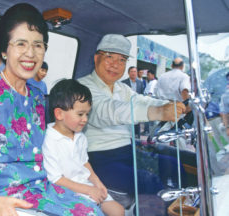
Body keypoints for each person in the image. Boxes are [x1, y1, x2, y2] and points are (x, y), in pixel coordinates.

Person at [0, 4, 103, 216]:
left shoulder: (38, 96)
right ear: (4, 50)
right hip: (1, 197)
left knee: (94, 212)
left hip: (42, 191)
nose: (30, 53)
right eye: (21, 44)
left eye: (38, 45)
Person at [78, 34, 186, 196]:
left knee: (173, 164)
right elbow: (106, 110)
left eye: (122, 60)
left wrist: (171, 106)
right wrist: (158, 112)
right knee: (148, 181)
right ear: (96, 58)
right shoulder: (82, 86)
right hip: (97, 158)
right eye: (109, 57)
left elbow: (143, 101)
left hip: (129, 151)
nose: (115, 65)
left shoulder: (123, 88)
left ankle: (180, 208)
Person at [42, 79, 124, 216]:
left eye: (87, 114)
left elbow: (84, 162)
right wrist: (88, 190)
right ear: (59, 114)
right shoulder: (49, 140)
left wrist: (98, 183)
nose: (85, 119)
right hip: (66, 191)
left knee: (118, 211)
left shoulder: (80, 137)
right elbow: (56, 179)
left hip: (86, 186)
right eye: (80, 114)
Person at [122, 66, 144, 138]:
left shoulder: (140, 83)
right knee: (127, 125)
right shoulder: (123, 83)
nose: (133, 73)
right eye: (131, 72)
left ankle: (136, 138)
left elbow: (141, 94)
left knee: (136, 124)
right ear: (128, 73)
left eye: (135, 71)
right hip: (127, 107)